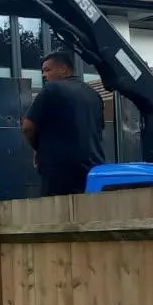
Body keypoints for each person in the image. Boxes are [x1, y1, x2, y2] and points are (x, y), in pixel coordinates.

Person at [21, 49, 104, 197]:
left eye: (47, 70)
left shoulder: (51, 89)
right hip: (92, 169)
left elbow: (28, 127)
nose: (43, 75)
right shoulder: (94, 94)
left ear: (64, 70)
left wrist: (38, 149)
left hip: (58, 170)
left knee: (57, 215)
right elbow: (98, 130)